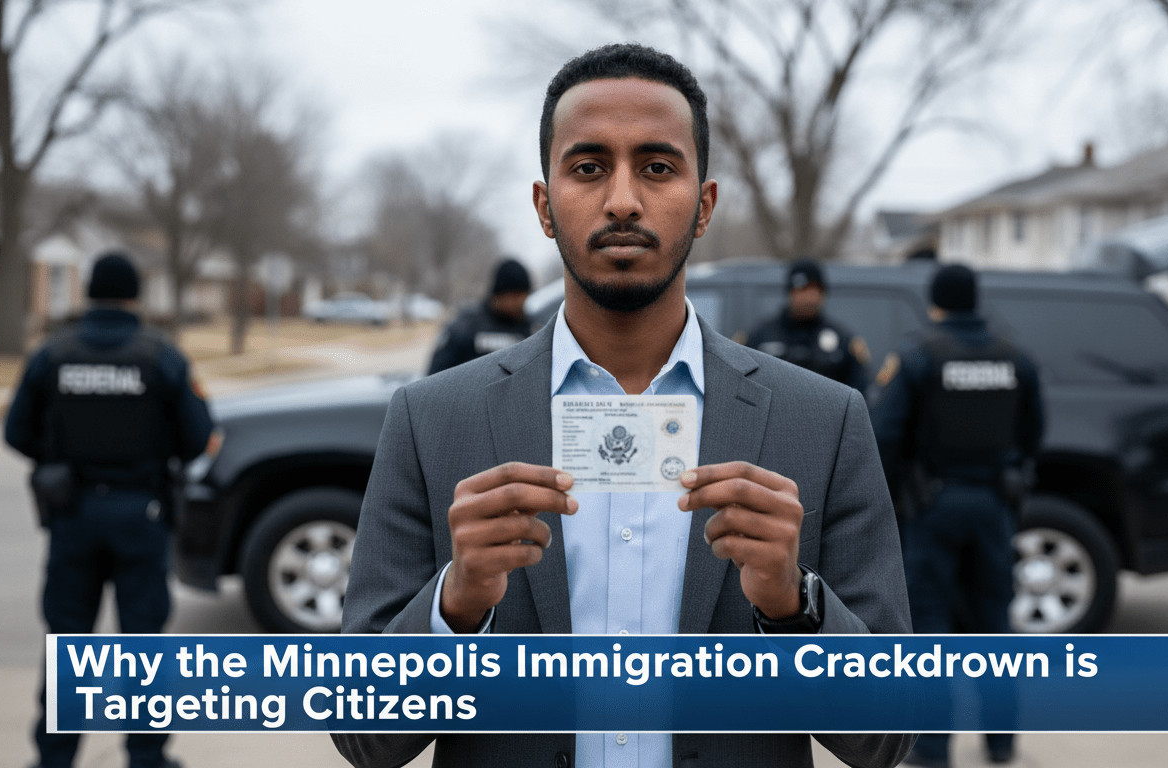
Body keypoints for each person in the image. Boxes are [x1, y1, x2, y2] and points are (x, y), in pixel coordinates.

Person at [332, 43, 913, 768]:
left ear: (704, 207)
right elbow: (364, 736)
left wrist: (794, 607)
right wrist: (456, 604)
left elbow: (886, 737)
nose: (623, 200)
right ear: (544, 206)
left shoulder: (823, 423)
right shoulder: (431, 421)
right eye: (588, 167)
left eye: (658, 167)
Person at [4, 252, 213, 768]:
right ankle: (146, 757)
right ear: (134, 294)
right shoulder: (161, 356)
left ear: (91, 292)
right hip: (141, 514)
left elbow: (15, 431)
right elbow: (196, 438)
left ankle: (54, 758)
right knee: (142, 646)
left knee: (69, 644)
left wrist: (56, 458)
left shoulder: (52, 354)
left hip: (72, 514)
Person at [869, 264, 1044, 768]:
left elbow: (885, 434)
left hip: (934, 507)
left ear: (936, 302)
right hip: (993, 506)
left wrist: (890, 500)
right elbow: (1034, 431)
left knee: (929, 626)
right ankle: (1001, 743)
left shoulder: (919, 355)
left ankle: (931, 748)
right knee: (994, 624)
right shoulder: (1015, 357)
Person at [741, 259, 870, 392]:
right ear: (790, 292)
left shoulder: (843, 340)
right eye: (802, 290)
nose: (809, 298)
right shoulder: (761, 335)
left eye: (815, 290)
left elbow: (859, 391)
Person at [427, 258, 533, 374]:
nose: (520, 302)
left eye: (524, 295)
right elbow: (435, 376)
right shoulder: (465, 328)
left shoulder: (530, 329)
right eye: (515, 296)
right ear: (498, 294)